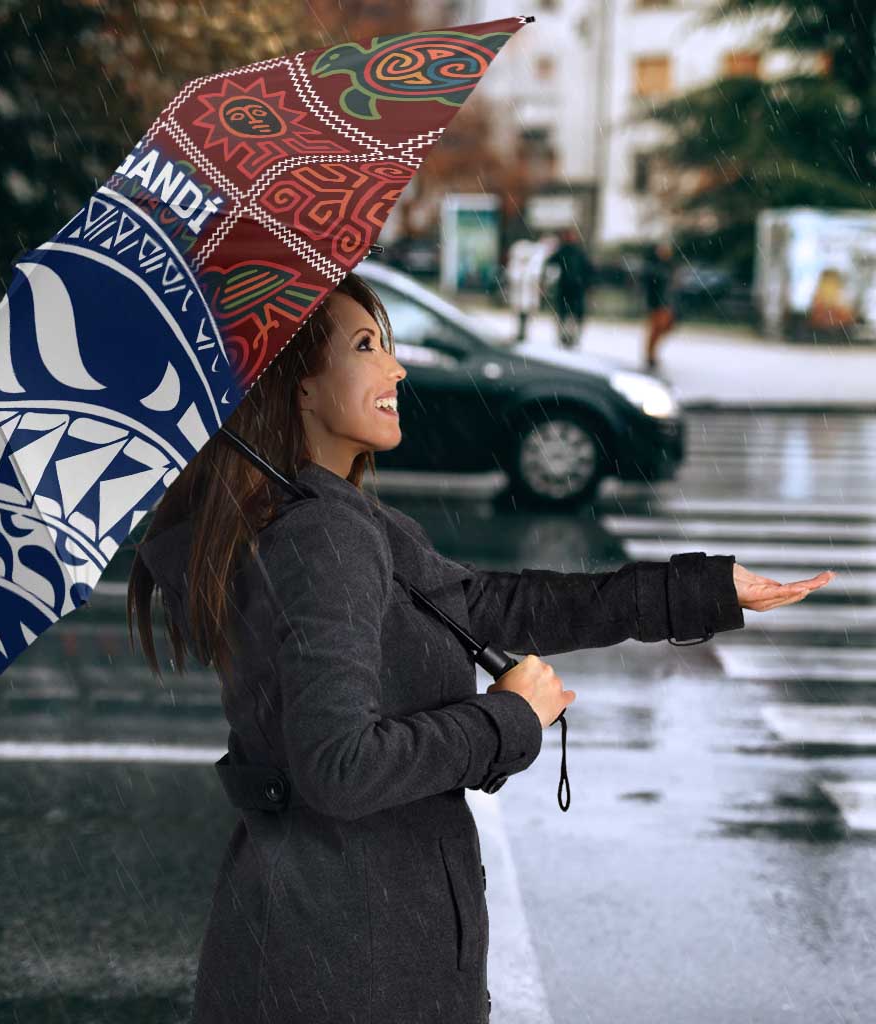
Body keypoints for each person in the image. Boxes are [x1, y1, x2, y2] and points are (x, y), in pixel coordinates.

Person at [128, 271, 833, 1024]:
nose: (396, 368)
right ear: (298, 386)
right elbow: (339, 768)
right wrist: (507, 719)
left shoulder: (332, 519)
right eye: (367, 346)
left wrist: (702, 590)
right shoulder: (321, 536)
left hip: (332, 943)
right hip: (348, 962)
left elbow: (495, 605)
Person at [544, 226, 594, 349]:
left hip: (575, 288)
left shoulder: (577, 252)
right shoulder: (564, 251)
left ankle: (571, 337)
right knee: (565, 314)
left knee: (572, 315)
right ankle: (565, 337)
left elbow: (588, 270)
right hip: (567, 288)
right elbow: (550, 264)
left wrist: (587, 284)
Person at [642, 239, 678, 370]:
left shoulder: (669, 266)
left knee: (664, 328)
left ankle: (651, 354)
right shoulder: (654, 267)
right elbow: (651, 286)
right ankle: (650, 355)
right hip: (657, 303)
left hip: (666, 303)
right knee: (656, 329)